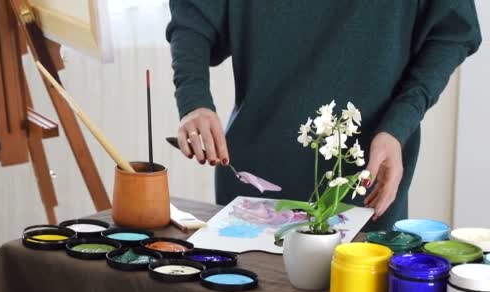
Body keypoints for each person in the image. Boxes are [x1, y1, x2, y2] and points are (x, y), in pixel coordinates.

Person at [166, 0, 482, 230]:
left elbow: (451, 31)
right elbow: (193, 17)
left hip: (364, 182)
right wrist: (194, 100)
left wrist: (399, 124)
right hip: (255, 193)